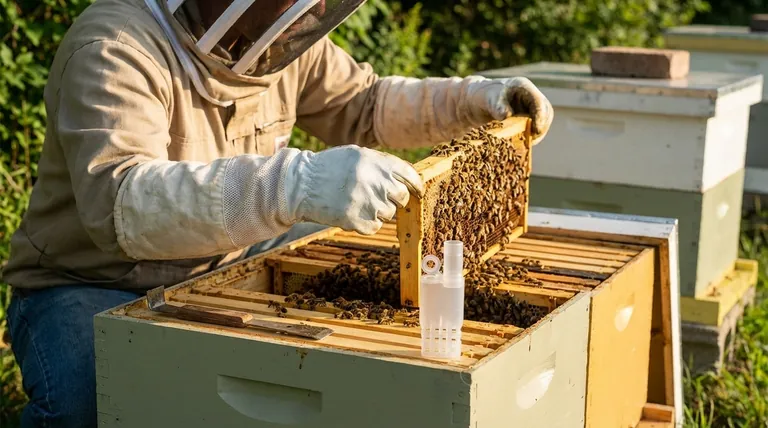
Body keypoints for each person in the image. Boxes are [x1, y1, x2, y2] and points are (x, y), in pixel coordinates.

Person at [2, 0, 554, 426]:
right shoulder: (115, 48)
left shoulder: (285, 39)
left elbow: (363, 106)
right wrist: (297, 185)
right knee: (90, 405)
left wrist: (475, 101)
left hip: (230, 261)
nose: (311, 15)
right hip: (88, 281)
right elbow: (122, 206)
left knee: (336, 323)